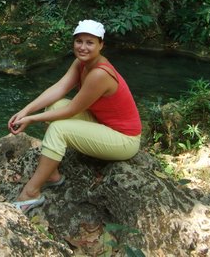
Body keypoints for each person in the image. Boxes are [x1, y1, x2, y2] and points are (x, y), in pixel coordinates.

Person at [8, 19, 142, 212]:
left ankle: (31, 194)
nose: (83, 47)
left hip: (124, 140)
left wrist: (30, 119)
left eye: (90, 42)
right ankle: (52, 174)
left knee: (58, 127)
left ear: (101, 45)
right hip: (101, 123)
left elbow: (71, 110)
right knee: (54, 105)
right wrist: (26, 110)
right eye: (79, 41)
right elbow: (60, 88)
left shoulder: (99, 74)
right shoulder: (81, 63)